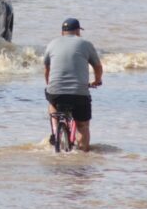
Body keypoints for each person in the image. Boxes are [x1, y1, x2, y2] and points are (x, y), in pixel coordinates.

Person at [44, 17, 103, 152]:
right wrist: (97, 80)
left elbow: (46, 69)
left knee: (51, 101)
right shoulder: (85, 44)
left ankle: (55, 130)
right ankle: (82, 156)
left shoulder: (52, 44)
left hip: (56, 91)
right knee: (82, 125)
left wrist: (50, 85)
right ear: (77, 31)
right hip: (79, 94)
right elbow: (98, 66)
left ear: (62, 32)